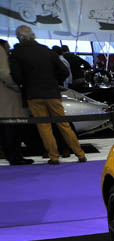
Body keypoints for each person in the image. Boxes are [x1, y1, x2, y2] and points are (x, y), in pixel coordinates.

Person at [9, 26, 86, 164]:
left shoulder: (17, 53)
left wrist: (26, 84)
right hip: (52, 93)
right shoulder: (46, 50)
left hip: (33, 95)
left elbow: (17, 75)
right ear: (33, 35)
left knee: (44, 127)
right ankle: (80, 154)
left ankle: (54, 156)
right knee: (64, 124)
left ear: (19, 37)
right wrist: (53, 81)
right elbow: (64, 71)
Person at [0, 38, 33, 164]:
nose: (9, 50)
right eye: (7, 47)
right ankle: (15, 156)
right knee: (12, 128)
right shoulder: (0, 52)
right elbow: (4, 74)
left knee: (7, 129)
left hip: (4, 98)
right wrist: (18, 86)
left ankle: (11, 155)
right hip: (8, 96)